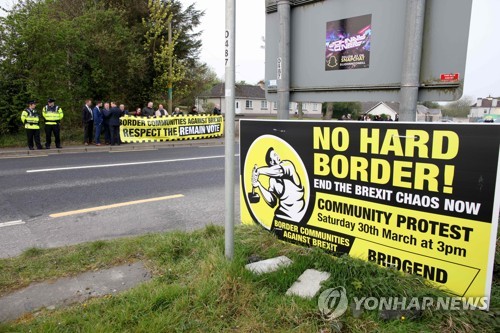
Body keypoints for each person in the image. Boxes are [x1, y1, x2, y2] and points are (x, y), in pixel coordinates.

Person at [252, 147, 306, 223]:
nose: (278, 156)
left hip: (299, 215)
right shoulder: (272, 180)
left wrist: (258, 171)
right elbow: (272, 201)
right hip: (281, 215)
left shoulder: (288, 165)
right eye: (274, 155)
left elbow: (279, 171)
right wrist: (259, 185)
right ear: (271, 162)